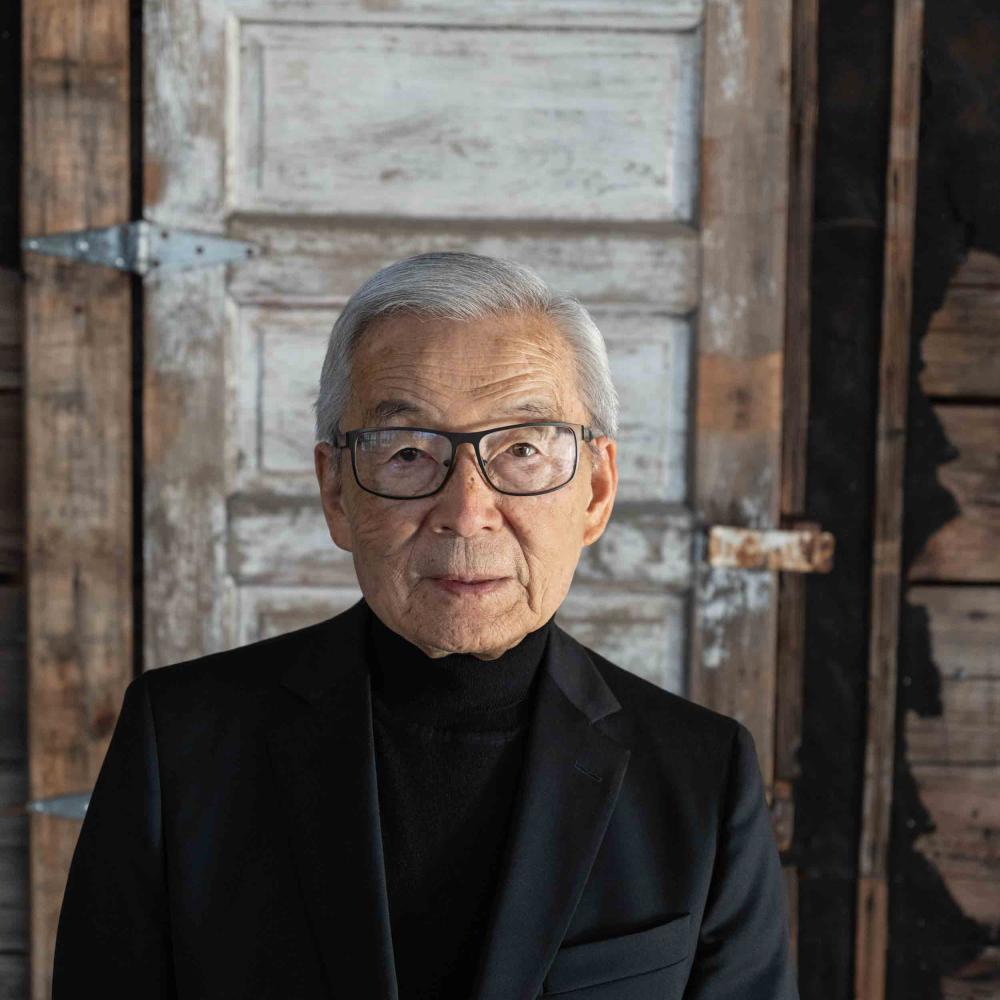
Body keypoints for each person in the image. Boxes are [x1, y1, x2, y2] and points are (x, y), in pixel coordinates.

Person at [52, 251, 799, 999]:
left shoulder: (703, 777)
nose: (467, 508)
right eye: (409, 452)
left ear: (597, 491)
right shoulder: (179, 744)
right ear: (336, 491)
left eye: (523, 450)